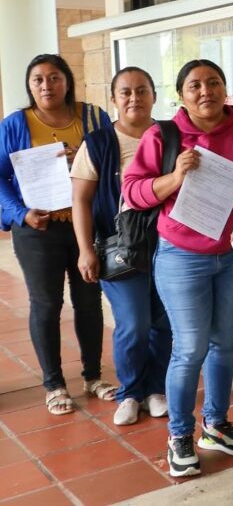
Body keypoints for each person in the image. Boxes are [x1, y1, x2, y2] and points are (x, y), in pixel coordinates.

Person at [122, 59, 233, 478]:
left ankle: (215, 426)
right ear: (181, 95)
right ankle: (179, 434)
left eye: (213, 82)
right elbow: (132, 191)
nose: (205, 91)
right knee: (190, 347)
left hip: (231, 255)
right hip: (181, 256)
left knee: (224, 344)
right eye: (195, 85)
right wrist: (174, 177)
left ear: (225, 88)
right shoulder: (163, 135)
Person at [0, 53, 114, 415]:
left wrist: (84, 157)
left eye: (54, 78)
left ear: (67, 81)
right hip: (39, 229)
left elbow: (112, 161)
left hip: (86, 226)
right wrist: (21, 213)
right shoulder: (15, 124)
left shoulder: (93, 117)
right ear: (29, 85)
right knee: (46, 304)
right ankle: (54, 384)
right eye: (38, 79)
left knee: (89, 300)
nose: (46, 85)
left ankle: (93, 376)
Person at [70, 67, 171, 426]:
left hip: (168, 245)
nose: (134, 98)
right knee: (133, 323)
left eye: (142, 90)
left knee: (164, 321)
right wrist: (85, 249)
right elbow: (81, 200)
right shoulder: (98, 143)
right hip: (119, 250)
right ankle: (130, 392)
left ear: (154, 95)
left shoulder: (171, 135)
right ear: (113, 99)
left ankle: (156, 389)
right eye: (125, 92)